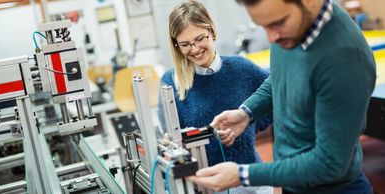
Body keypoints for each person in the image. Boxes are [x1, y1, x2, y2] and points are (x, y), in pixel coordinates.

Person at [188, 0, 376, 193]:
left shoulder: (345, 58)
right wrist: (246, 112)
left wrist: (243, 175)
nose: (271, 37)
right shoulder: (290, 30)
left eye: (277, 23)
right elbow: (280, 77)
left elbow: (329, 164)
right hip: (294, 182)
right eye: (264, 26)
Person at [158, 1, 273, 193]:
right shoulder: (171, 82)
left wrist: (248, 123)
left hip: (249, 182)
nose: (194, 49)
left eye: (199, 39)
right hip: (205, 186)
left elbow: (275, 99)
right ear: (176, 45)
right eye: (185, 44)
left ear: (211, 31)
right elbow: (172, 140)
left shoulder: (241, 68)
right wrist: (206, 136)